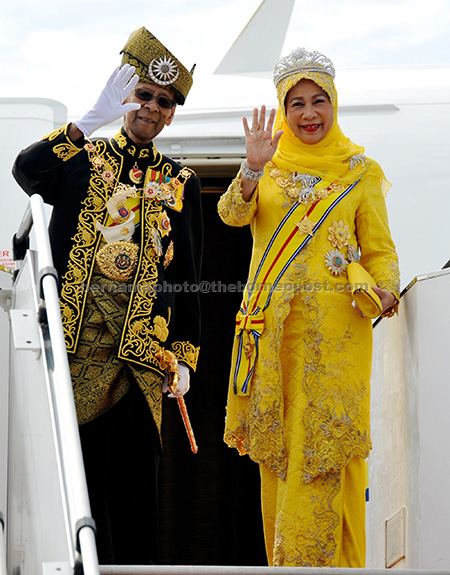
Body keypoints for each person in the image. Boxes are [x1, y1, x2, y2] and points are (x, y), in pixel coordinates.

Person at [13, 27, 202, 565]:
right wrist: (84, 123)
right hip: (76, 355)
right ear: (125, 97)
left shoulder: (181, 181)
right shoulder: (81, 157)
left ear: (171, 115)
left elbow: (187, 277)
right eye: (143, 94)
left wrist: (185, 355)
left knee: (139, 502)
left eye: (163, 102)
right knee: (81, 497)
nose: (150, 108)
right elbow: (26, 172)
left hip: (140, 361)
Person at [218, 47, 399, 568]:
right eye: (296, 103)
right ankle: (286, 563)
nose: (309, 113)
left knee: (322, 452)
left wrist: (384, 290)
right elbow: (231, 216)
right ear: (282, 108)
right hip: (272, 337)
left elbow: (381, 251)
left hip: (337, 337)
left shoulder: (361, 172)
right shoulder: (268, 167)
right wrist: (251, 169)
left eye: (318, 100)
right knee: (278, 456)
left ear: (334, 103)